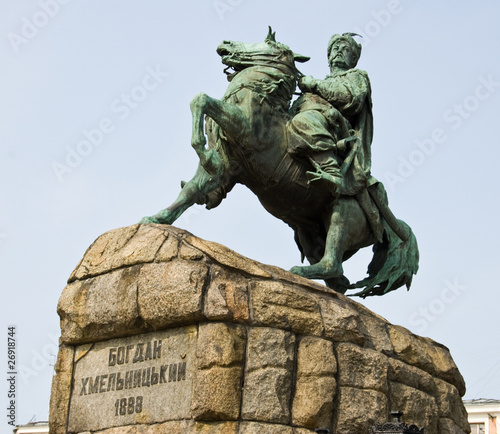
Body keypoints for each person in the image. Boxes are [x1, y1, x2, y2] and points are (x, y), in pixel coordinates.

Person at [288, 32, 377, 197]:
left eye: (345, 49)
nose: (339, 51)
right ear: (328, 57)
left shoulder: (356, 76)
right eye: (335, 48)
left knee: (303, 120)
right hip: (317, 121)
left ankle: (332, 172)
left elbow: (349, 98)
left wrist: (314, 84)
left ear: (353, 59)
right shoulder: (323, 82)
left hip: (336, 128)